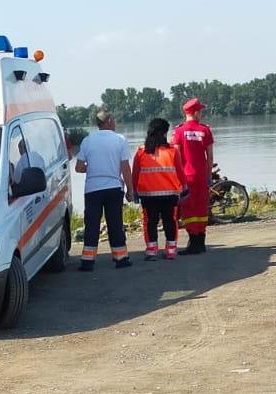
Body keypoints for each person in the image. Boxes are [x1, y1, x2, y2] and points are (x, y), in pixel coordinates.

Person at [74, 110, 133, 270]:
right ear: (109, 121)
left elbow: (78, 167)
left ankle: (87, 262)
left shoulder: (87, 141)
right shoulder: (120, 139)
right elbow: (125, 168)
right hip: (113, 187)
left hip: (92, 189)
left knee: (92, 225)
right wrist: (130, 189)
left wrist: (94, 168)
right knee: (115, 224)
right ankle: (121, 259)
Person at [132, 118, 188, 260]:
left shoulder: (141, 151)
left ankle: (151, 251)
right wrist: (185, 187)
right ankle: (171, 250)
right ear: (164, 133)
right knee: (170, 221)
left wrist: (133, 190)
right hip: (170, 194)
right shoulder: (172, 150)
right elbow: (180, 171)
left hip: (148, 195)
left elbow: (135, 173)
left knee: (150, 222)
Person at [172, 97, 215, 255]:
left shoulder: (179, 131)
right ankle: (201, 242)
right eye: (200, 111)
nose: (201, 114)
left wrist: (177, 177)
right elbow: (210, 156)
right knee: (201, 207)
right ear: (195, 112)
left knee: (188, 209)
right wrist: (208, 175)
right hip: (201, 176)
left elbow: (176, 156)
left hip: (186, 176)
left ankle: (193, 242)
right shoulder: (205, 130)